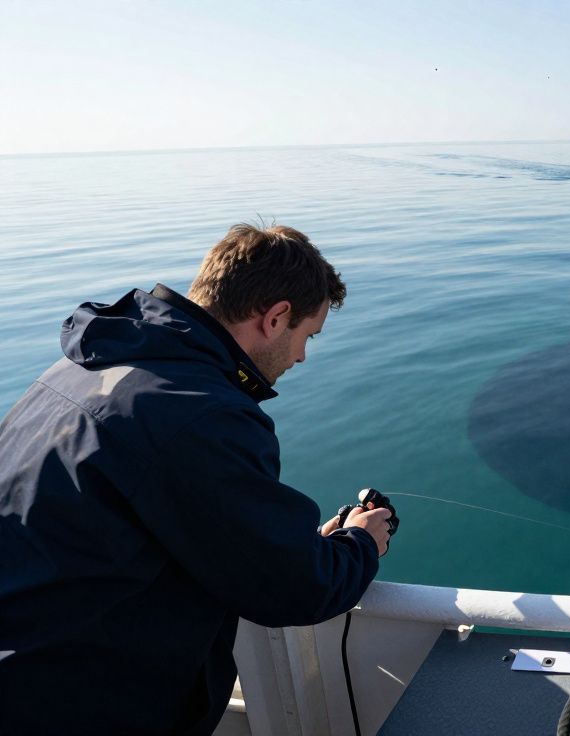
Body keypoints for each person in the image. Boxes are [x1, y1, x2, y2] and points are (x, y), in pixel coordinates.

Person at [0, 224, 394, 735]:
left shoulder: (81, 368)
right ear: (275, 318)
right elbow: (294, 587)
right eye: (306, 336)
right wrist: (361, 542)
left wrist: (293, 544)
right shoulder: (199, 413)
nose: (301, 357)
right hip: (80, 707)